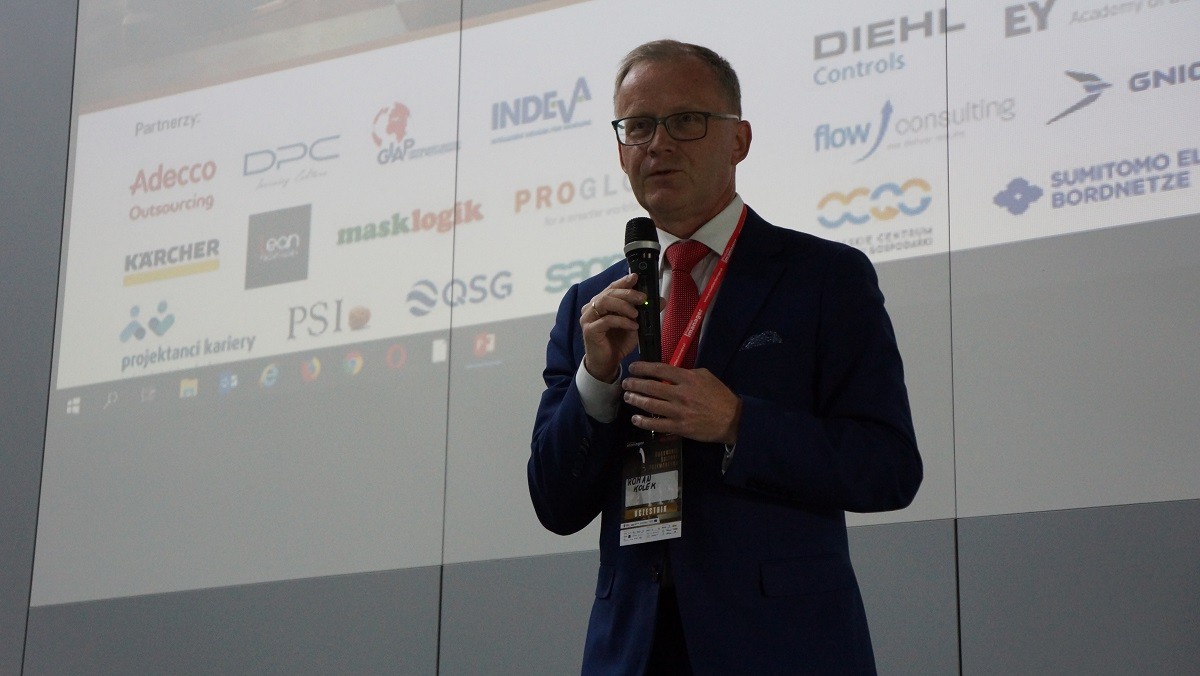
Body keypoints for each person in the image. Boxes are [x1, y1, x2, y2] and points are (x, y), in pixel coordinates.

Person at [528, 39, 922, 675]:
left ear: (739, 140)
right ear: (622, 151)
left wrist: (739, 422)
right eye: (638, 126)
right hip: (632, 652)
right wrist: (595, 381)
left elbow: (888, 467)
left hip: (783, 648)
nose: (659, 144)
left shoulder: (825, 278)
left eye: (685, 121)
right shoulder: (590, 306)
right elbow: (555, 505)